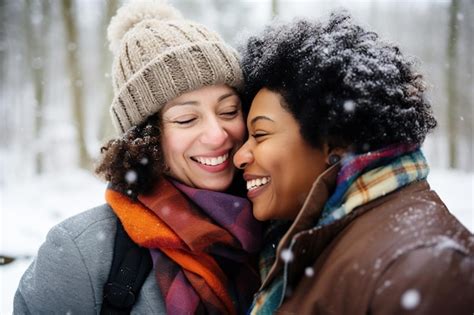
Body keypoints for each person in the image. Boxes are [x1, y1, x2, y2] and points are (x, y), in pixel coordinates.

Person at [14, 0, 261, 314]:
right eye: (186, 119)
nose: (217, 134)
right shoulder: (82, 253)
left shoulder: (279, 223)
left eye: (229, 111)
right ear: (148, 138)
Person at [233, 12, 474, 315]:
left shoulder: (426, 268)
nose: (239, 156)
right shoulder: (309, 244)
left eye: (260, 134)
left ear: (334, 142)